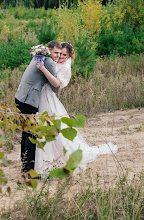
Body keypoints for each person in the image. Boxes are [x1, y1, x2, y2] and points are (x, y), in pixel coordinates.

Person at [34, 42, 118, 177]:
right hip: (45, 97)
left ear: (69, 56)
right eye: (60, 53)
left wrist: (43, 68)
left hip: (49, 99)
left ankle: (56, 156)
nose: (60, 56)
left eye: (64, 55)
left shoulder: (65, 69)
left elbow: (56, 83)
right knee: (48, 126)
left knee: (53, 127)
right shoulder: (57, 63)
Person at [15, 40, 62, 173]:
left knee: (26, 133)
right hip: (29, 100)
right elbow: (56, 89)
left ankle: (24, 166)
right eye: (56, 52)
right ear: (49, 51)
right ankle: (29, 171)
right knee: (32, 135)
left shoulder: (39, 57)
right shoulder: (48, 62)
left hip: (20, 98)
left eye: (60, 53)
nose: (58, 56)